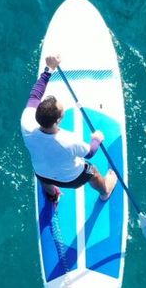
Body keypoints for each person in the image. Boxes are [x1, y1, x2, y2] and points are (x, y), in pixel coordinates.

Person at [21, 54, 116, 203]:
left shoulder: (26, 123)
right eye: (62, 109)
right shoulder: (68, 140)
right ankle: (105, 191)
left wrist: (48, 70)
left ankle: (53, 195)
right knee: (93, 172)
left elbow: (35, 95)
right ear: (58, 120)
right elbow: (90, 152)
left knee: (44, 177)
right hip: (72, 179)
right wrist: (96, 139)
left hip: (41, 173)